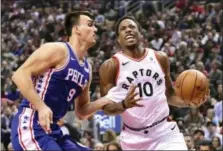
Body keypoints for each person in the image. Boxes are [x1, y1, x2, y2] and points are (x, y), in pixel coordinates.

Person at [11, 11, 139, 151]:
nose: (95, 29)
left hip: (53, 130)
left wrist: (108, 99)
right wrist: (41, 106)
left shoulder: (87, 68)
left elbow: (82, 111)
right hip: (31, 124)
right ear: (76, 29)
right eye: (90, 25)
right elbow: (19, 75)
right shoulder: (58, 49)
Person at [99, 16, 209, 150]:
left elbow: (169, 95)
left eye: (132, 27)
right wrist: (123, 104)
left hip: (164, 132)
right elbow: (106, 109)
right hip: (133, 139)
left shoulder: (159, 58)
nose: (128, 30)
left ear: (140, 33)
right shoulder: (110, 66)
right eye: (123, 29)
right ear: (118, 39)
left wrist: (188, 101)